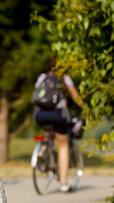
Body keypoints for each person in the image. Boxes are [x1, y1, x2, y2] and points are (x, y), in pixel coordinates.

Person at [34, 56, 84, 192]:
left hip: (40, 114)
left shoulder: (42, 77)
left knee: (48, 133)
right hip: (57, 115)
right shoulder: (64, 79)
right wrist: (85, 107)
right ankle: (63, 182)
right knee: (62, 144)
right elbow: (76, 97)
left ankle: (43, 150)